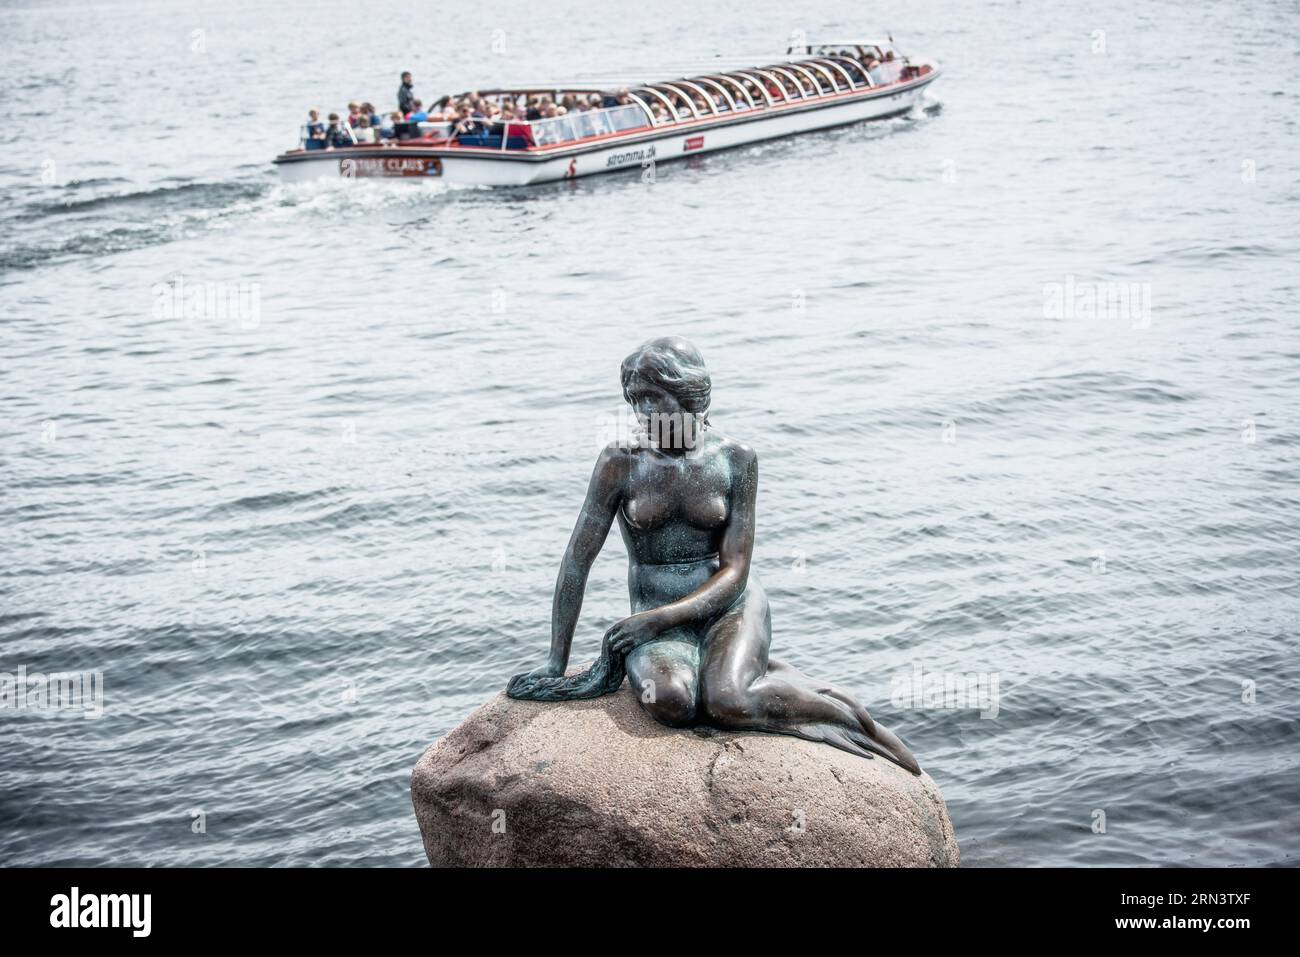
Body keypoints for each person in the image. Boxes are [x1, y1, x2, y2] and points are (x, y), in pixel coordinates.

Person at [507, 337, 922, 774]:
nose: (643, 414)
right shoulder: (621, 462)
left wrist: (659, 620)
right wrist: (557, 659)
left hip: (730, 604)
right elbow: (577, 560)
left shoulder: (735, 459)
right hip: (656, 610)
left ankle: (847, 716)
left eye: (653, 399)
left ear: (690, 397)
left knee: (729, 701)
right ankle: (752, 669)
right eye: (635, 401)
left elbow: (736, 569)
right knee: (672, 702)